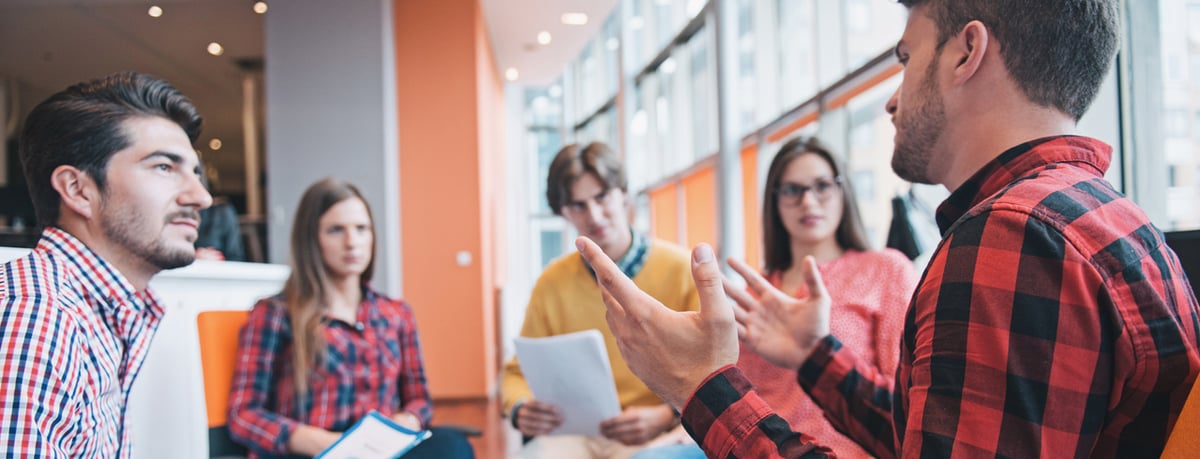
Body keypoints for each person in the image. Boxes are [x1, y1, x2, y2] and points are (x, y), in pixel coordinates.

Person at [576, 0, 1200, 457]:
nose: (891, 99)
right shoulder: (1105, 216)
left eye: (905, 58)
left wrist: (700, 386)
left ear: (966, 52)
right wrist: (816, 357)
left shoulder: (1011, 238)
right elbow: (930, 438)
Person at [0, 72, 212, 456]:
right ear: (78, 189)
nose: (201, 197)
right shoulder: (38, 313)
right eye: (164, 167)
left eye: (195, 173)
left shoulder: (96, 310)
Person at [226, 178, 473, 459]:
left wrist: (407, 420)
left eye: (361, 229)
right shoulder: (274, 315)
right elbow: (243, 415)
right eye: (335, 230)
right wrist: (318, 441)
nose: (352, 242)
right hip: (313, 451)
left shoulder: (396, 313)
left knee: (453, 445)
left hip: (379, 449)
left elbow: (420, 400)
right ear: (311, 239)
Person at [500, 142, 703, 459]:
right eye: (578, 205)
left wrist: (667, 414)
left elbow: (717, 367)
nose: (594, 215)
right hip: (576, 433)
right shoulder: (552, 282)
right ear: (563, 213)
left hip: (658, 432)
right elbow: (516, 374)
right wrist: (521, 408)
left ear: (623, 194)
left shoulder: (681, 270)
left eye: (601, 197)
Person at [739, 136, 916, 458]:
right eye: (793, 190)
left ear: (842, 191)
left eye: (822, 185)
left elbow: (905, 400)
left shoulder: (885, 270)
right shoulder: (756, 292)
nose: (808, 202)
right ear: (775, 201)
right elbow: (739, 400)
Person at [194, 164, 247, 261]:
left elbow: (236, 257)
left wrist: (218, 261)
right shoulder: (170, 216)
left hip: (217, 273)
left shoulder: (222, 213)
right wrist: (192, 258)